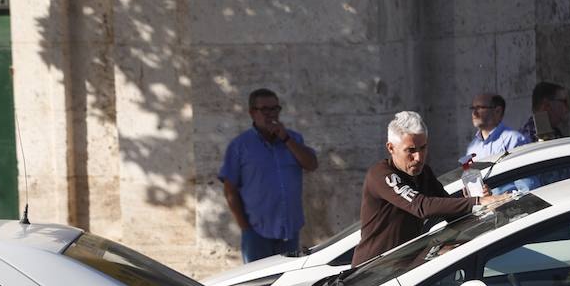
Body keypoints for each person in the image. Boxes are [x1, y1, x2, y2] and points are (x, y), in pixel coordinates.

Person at [353, 110, 507, 266]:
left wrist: (483, 206)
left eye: (423, 148)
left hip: (405, 268)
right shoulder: (381, 175)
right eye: (411, 150)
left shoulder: (424, 173)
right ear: (391, 148)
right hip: (371, 274)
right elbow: (421, 206)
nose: (419, 157)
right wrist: (477, 201)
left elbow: (449, 210)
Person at [218, 88, 318, 263]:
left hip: (290, 229)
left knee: (287, 282)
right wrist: (245, 226)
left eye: (274, 109)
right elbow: (230, 190)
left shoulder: (294, 139)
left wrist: (286, 139)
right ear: (252, 113)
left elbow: (311, 165)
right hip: (257, 232)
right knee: (259, 285)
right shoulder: (240, 146)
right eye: (264, 109)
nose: (270, 114)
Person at [464, 92, 530, 160]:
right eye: (473, 108)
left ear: (497, 111)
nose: (474, 113)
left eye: (479, 108)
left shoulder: (514, 140)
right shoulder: (472, 147)